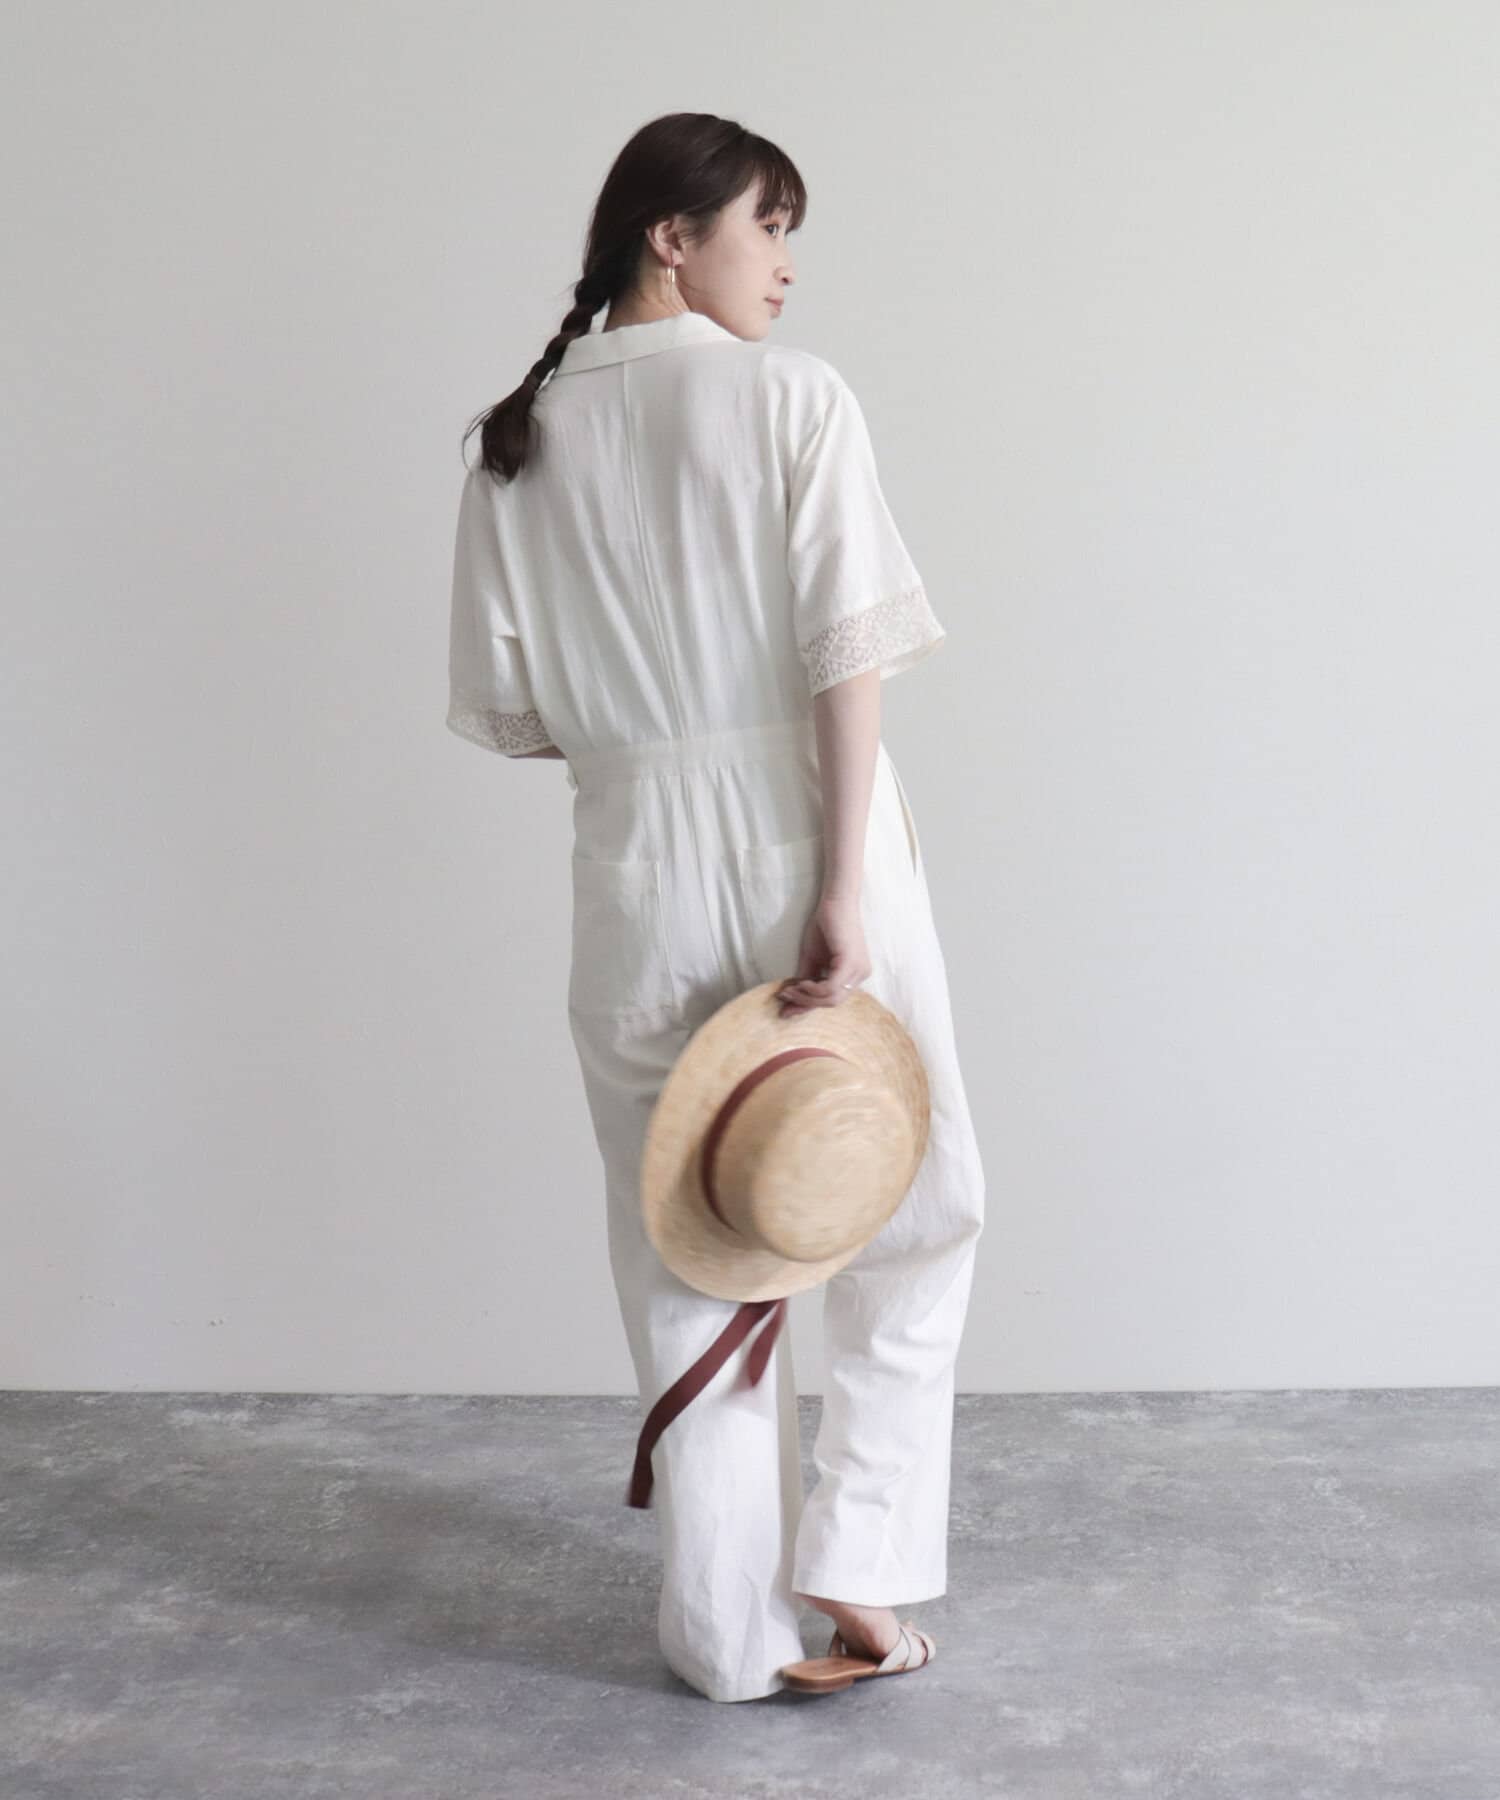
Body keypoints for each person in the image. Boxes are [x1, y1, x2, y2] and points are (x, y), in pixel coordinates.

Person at [446, 111, 985, 1702]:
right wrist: (837, 884)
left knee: (685, 1244)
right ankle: (861, 1557)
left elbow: (518, 716)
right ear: (672, 237)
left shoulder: (516, 444)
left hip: (630, 863)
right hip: (805, 831)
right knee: (917, 1202)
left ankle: (724, 1638)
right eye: (769, 224)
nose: (788, 263)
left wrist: (650, 734)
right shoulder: (790, 397)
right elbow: (844, 651)